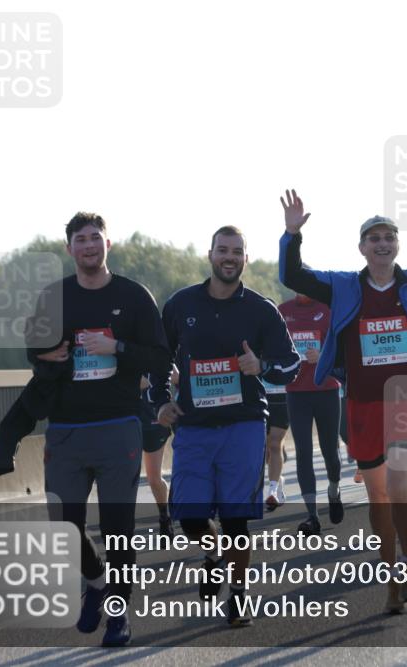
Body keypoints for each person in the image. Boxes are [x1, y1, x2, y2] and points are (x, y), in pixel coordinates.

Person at [279, 189, 407, 614]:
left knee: (397, 485)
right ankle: (392, 576)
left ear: (397, 244)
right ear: (362, 248)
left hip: (406, 396)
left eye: (389, 236)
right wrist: (292, 234)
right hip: (360, 401)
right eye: (374, 238)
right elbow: (294, 276)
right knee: (378, 497)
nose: (382, 243)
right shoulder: (342, 285)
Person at [27, 212, 169, 647]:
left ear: (109, 244)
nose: (88, 246)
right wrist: (52, 356)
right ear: (69, 248)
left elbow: (160, 359)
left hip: (118, 426)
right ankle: (94, 580)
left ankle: (118, 615)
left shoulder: (133, 295)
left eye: (95, 238)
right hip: (66, 429)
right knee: (63, 526)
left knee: (117, 527)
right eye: (80, 240)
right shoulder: (54, 297)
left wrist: (117, 348)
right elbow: (34, 354)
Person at [155, 225, 300, 628]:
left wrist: (262, 366)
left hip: (244, 424)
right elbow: (157, 359)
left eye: (237, 250)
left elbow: (290, 365)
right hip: (194, 426)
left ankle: (238, 595)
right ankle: (215, 555)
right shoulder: (180, 304)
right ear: (211, 255)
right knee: (190, 519)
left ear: (246, 258)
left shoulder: (260, 309)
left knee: (236, 519)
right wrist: (160, 401)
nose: (230, 257)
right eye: (223, 250)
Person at [279, 293, 344, 534]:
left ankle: (334, 490)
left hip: (326, 389)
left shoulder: (328, 307)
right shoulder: (283, 310)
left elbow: (344, 345)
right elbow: (274, 346)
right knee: (303, 452)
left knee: (330, 452)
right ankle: (311, 515)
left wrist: (325, 355)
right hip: (296, 392)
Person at [140, 368, 176, 539]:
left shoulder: (153, 348)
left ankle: (164, 516)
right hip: (125, 420)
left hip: (153, 420)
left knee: (153, 478)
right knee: (124, 478)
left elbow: (175, 375)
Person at [262, 361, 291, 512]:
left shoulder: (285, 339)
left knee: (275, 443)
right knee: (266, 447)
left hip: (283, 394)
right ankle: (278, 480)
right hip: (261, 395)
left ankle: (272, 491)